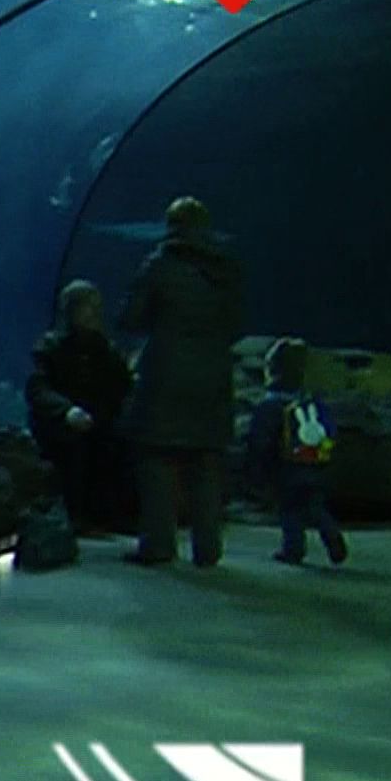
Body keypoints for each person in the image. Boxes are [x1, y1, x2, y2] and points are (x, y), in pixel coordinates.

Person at [116, 195, 245, 566]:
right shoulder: (228, 269)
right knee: (205, 460)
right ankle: (208, 547)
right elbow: (236, 323)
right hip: (214, 375)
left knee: (156, 458)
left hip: (166, 375)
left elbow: (131, 318)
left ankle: (158, 544)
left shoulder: (159, 265)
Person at [24, 279, 134, 535]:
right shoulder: (50, 347)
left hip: (98, 419)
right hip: (60, 422)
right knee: (75, 449)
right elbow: (38, 390)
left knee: (118, 445)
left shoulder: (104, 348)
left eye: (96, 307)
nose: (93, 313)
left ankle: (114, 515)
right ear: (70, 310)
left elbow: (122, 384)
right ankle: (77, 516)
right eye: (86, 307)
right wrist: (66, 411)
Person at [246, 337, 349, 566]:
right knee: (315, 507)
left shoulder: (270, 406)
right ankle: (333, 537)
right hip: (314, 465)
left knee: (290, 511)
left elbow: (260, 442)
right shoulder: (310, 403)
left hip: (286, 470)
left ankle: (293, 550)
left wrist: (259, 472)